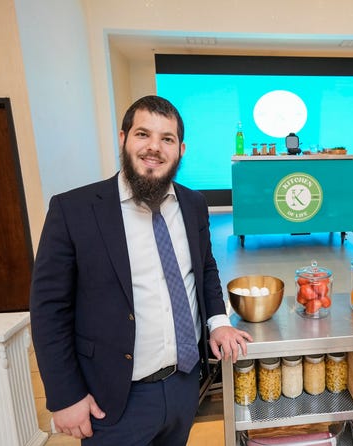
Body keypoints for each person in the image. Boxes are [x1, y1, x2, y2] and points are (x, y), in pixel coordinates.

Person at [29, 95, 252, 445]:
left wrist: (218, 323)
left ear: (181, 149)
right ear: (123, 139)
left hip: (183, 385)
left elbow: (205, 268)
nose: (154, 148)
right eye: (143, 134)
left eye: (167, 139)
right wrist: (65, 395)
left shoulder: (193, 204)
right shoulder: (73, 210)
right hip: (113, 399)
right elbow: (48, 310)